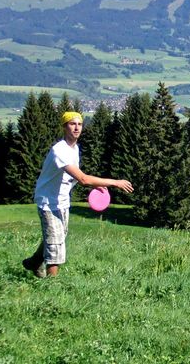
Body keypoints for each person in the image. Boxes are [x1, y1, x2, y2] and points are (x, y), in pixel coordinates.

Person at [22, 111, 133, 278]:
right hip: (48, 201)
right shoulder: (59, 150)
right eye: (72, 124)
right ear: (64, 127)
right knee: (56, 244)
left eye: (79, 124)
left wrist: (96, 186)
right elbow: (83, 179)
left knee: (57, 236)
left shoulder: (74, 149)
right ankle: (52, 287)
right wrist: (114, 182)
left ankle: (34, 262)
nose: (76, 127)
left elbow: (75, 177)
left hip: (62, 200)